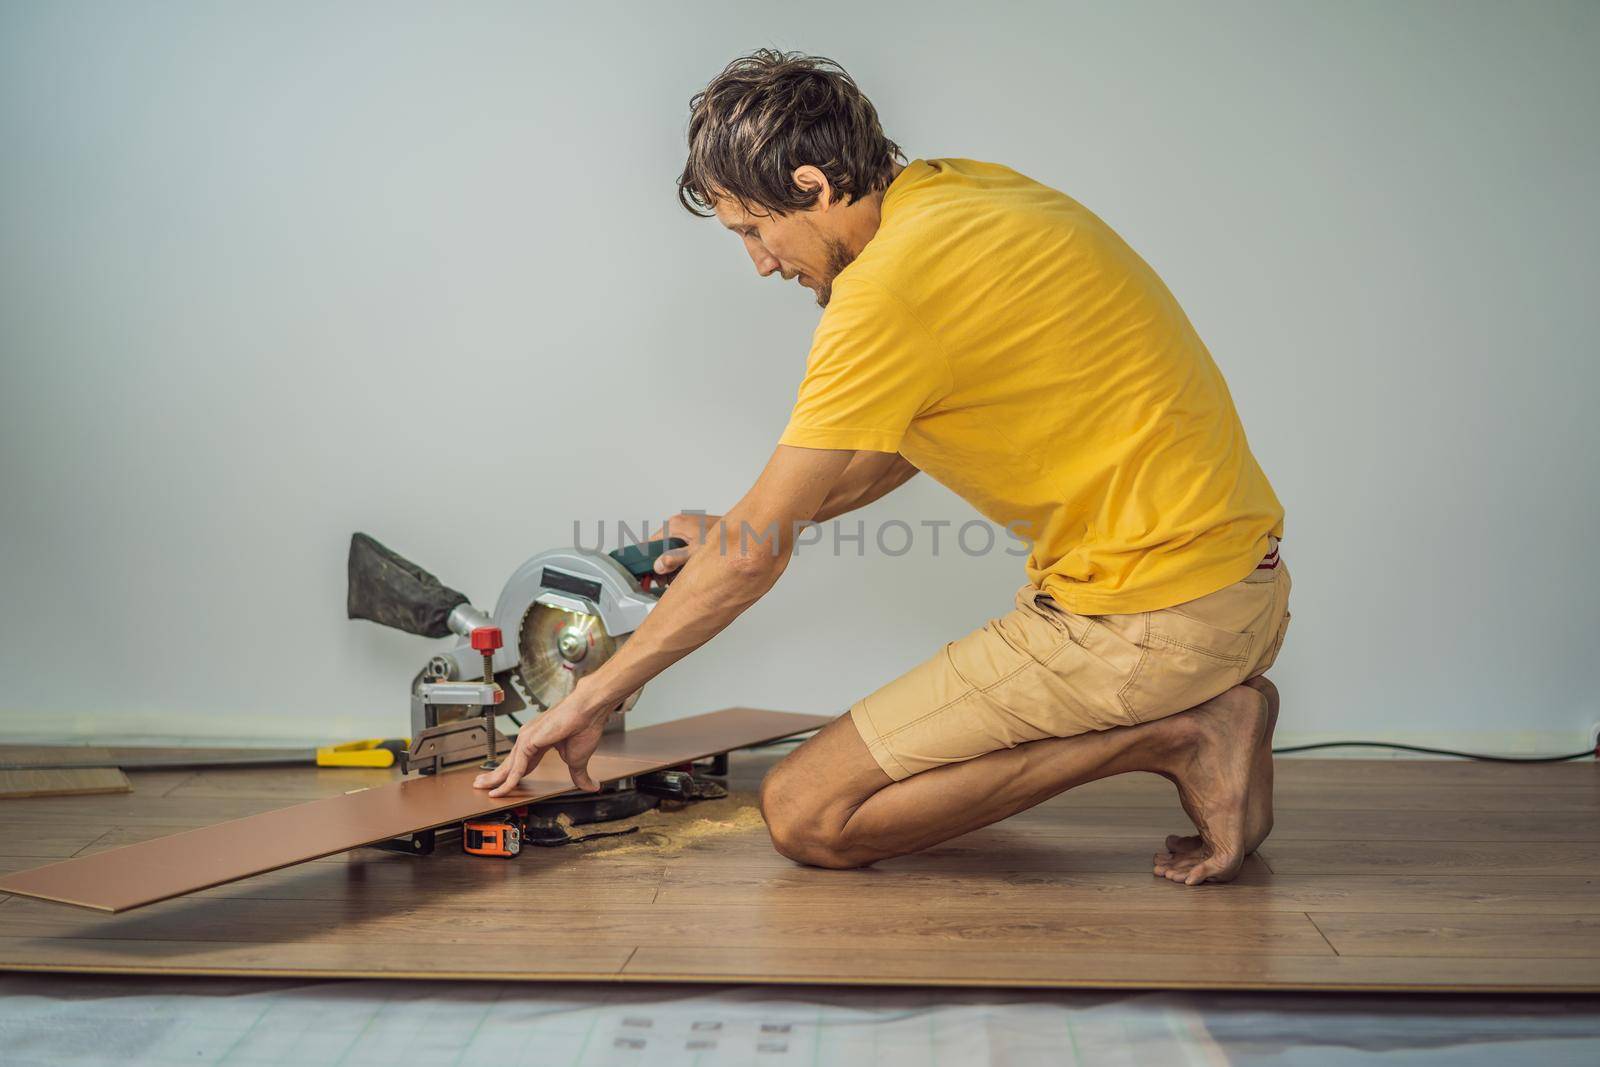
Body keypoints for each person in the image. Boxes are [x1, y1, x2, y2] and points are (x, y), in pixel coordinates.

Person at [474, 49, 1292, 886]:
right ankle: (1197, 711)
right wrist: (745, 522)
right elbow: (898, 443)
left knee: (808, 814)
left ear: (814, 187)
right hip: (1235, 586)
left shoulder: (886, 292)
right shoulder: (960, 194)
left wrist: (594, 692)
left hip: (1148, 621)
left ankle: (1188, 732)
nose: (759, 262)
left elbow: (755, 559)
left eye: (755, 229)